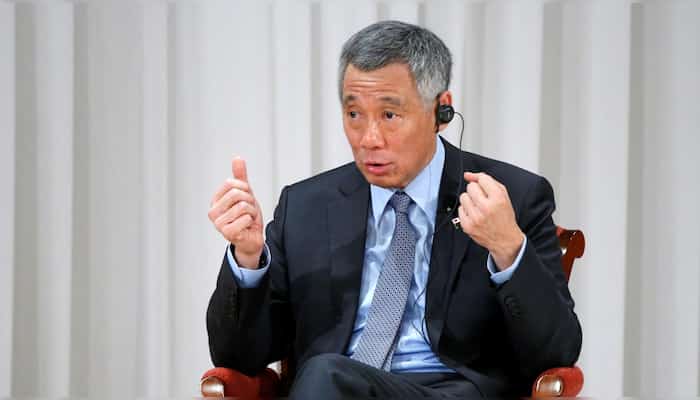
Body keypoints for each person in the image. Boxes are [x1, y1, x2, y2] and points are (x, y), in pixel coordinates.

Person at [206, 20, 581, 398]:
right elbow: (238, 357)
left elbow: (557, 352)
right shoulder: (306, 207)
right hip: (334, 387)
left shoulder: (511, 197)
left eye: (389, 115)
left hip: (450, 392)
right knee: (327, 375)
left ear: (441, 112)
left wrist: (507, 247)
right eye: (355, 115)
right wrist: (248, 259)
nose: (370, 139)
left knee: (325, 374)